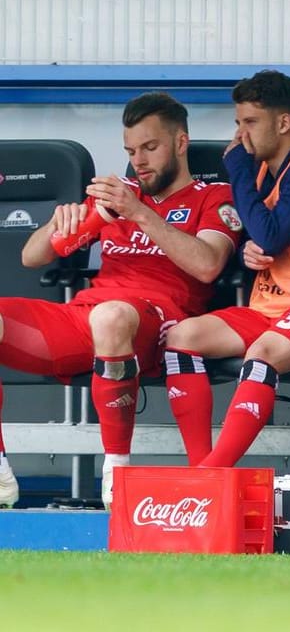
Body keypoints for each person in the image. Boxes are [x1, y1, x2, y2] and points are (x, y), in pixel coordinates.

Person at [0, 93, 240, 507]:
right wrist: (66, 223)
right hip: (85, 318)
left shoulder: (213, 196)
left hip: (156, 323)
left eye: (150, 147)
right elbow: (32, 256)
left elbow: (207, 266)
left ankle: (117, 474)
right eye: (131, 151)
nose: (139, 160)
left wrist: (141, 214)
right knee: (103, 315)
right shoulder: (118, 195)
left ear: (180, 143)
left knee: (111, 317)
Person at [162, 70, 290, 467]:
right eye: (238, 123)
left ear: (284, 122)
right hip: (271, 307)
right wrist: (246, 253)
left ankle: (213, 473)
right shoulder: (263, 170)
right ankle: (198, 462)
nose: (240, 135)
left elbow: (272, 235)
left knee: (262, 352)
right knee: (181, 335)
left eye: (250, 122)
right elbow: (258, 236)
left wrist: (237, 170)